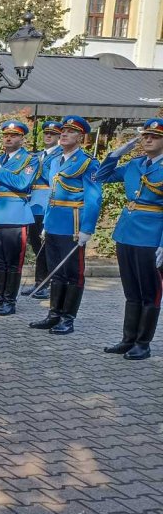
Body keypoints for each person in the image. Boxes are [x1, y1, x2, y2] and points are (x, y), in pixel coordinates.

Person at [28, 115, 101, 335]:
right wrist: (46, 223)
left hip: (73, 225)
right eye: (63, 131)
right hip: (54, 223)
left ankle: (68, 319)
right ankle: (54, 315)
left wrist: (87, 228)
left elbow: (94, 198)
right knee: (56, 271)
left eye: (71, 131)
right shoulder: (56, 161)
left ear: (80, 137)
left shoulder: (88, 162)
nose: (64, 134)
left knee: (72, 273)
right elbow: (52, 195)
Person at [96, 120, 163, 360]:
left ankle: (143, 344)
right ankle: (128, 340)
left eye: (154, 136)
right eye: (145, 136)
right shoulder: (135, 164)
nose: (148, 140)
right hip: (126, 233)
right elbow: (101, 176)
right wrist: (116, 154)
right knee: (131, 291)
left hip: (151, 236)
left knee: (150, 292)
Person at [0, 121, 38, 316]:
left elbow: (22, 183)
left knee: (13, 263)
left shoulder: (29, 160)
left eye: (14, 135)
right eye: (6, 135)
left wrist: (0, 170)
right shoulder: (0, 158)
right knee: (0, 262)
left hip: (16, 215)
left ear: (22, 139)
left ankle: (10, 301)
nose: (8, 138)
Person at [21, 121, 63, 299]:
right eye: (46, 133)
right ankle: (39, 283)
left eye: (52, 134)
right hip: (33, 205)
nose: (48, 136)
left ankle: (48, 284)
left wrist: (40, 164)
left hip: (47, 203)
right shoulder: (38, 155)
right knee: (37, 245)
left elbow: (53, 179)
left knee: (47, 246)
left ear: (59, 136)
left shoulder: (60, 155)